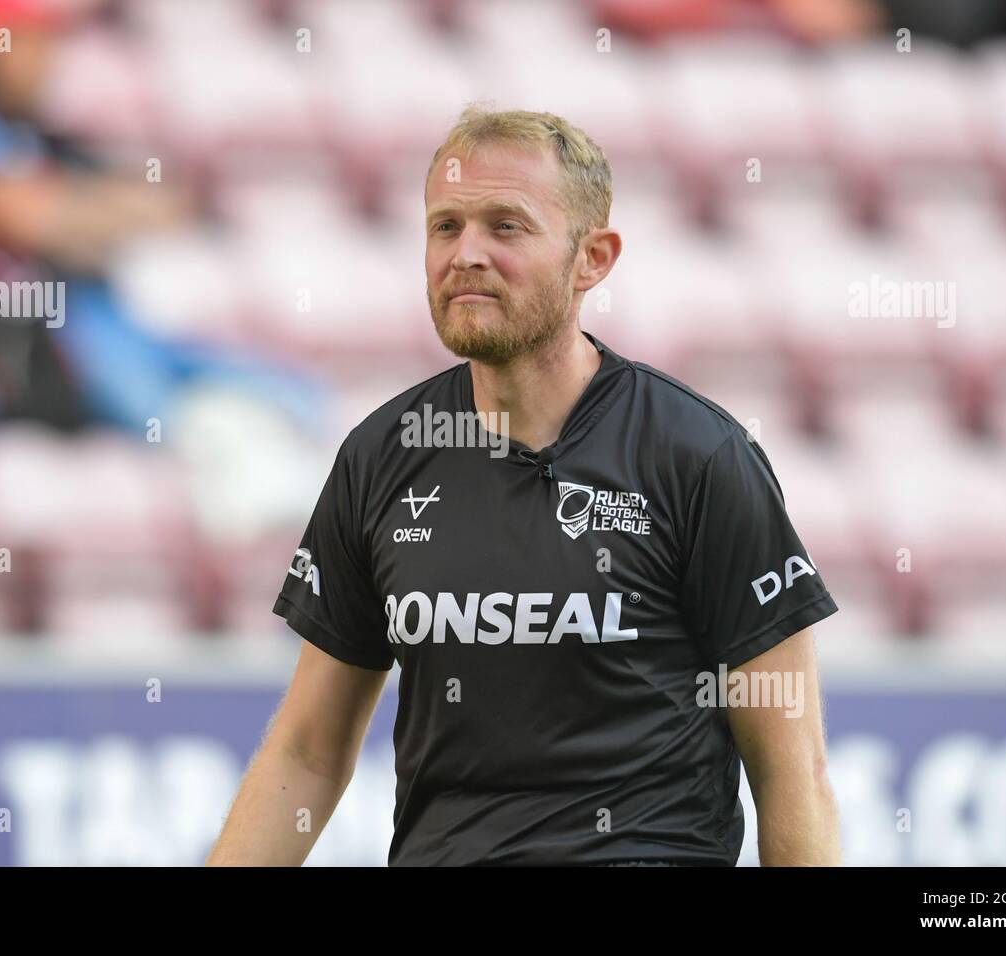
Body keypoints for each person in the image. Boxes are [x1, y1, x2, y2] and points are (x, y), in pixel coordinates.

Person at [206, 107, 841, 867]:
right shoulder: (381, 456)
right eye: (446, 227)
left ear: (593, 258)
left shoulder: (699, 457)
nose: (465, 254)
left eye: (506, 226)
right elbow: (308, 753)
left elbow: (792, 773)